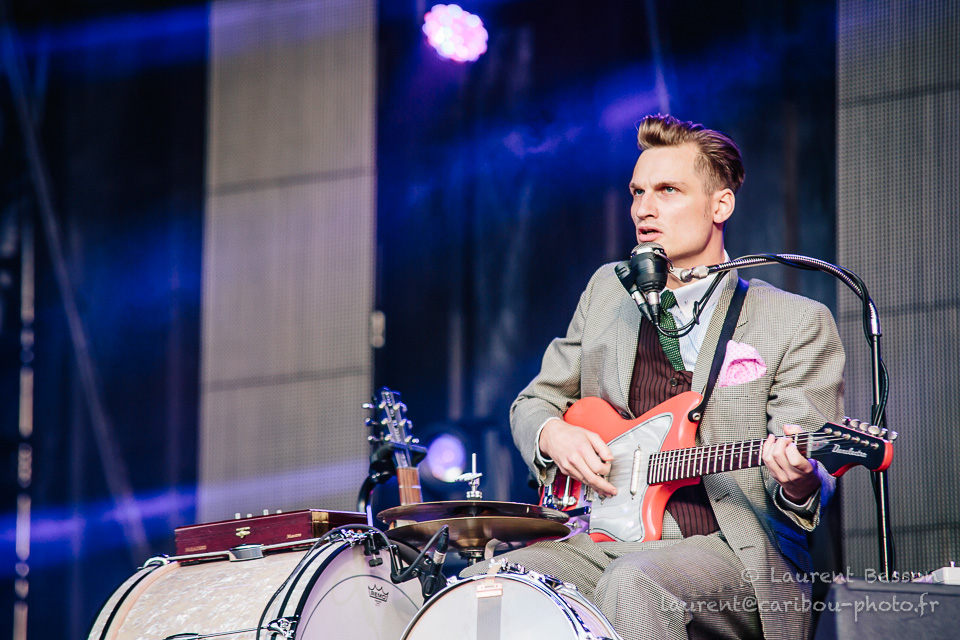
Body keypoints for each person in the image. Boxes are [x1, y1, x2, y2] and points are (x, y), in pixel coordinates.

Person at [461, 114, 844, 640]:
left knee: (635, 581)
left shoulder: (794, 321)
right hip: (606, 537)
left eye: (668, 191)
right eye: (637, 192)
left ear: (720, 206)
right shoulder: (608, 290)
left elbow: (811, 477)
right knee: (492, 582)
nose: (644, 209)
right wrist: (554, 434)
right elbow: (533, 402)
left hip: (733, 553)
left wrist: (800, 481)